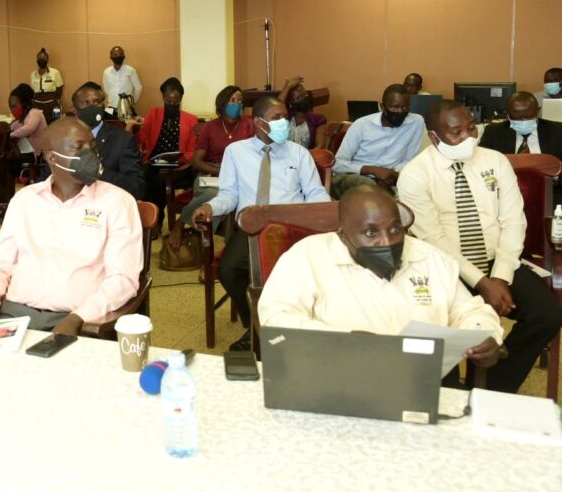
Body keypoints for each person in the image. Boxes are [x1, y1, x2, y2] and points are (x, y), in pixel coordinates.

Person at [397, 99, 562, 393]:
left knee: (546, 313)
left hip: (499, 262)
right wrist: (481, 282)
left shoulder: (494, 161)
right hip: (446, 269)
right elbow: (434, 240)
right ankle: (447, 389)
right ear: (434, 137)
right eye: (456, 133)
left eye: (471, 128)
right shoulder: (415, 174)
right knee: (435, 322)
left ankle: (490, 388)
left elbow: (513, 221)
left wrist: (500, 276)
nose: (468, 137)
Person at [258, 185, 503, 373]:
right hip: (336, 373)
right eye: (371, 233)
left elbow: (469, 311)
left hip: (422, 379)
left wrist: (482, 335)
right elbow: (277, 318)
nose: (387, 242)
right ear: (343, 235)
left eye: (395, 229)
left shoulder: (429, 257)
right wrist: (343, 340)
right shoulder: (308, 256)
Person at [0, 117, 142, 335]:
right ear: (53, 157)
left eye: (92, 146)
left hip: (80, 321)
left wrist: (79, 318)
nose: (91, 154)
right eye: (79, 147)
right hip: (12, 316)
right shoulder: (25, 200)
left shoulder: (117, 202)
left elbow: (123, 279)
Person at [192, 96, 330, 351]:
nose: (284, 123)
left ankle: (273, 326)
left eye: (285, 118)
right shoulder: (236, 152)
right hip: (253, 228)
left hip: (293, 228)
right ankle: (256, 324)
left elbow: (314, 193)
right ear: (258, 122)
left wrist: (326, 213)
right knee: (229, 271)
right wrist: (209, 207)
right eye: (276, 118)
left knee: (298, 273)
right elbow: (229, 195)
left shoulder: (298, 153)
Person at [167, 86, 254, 252]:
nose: (237, 104)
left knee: (232, 202)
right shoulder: (210, 127)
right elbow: (197, 161)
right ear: (222, 104)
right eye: (232, 101)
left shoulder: (249, 126)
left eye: (240, 101)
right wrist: (221, 172)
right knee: (214, 195)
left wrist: (236, 173)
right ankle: (200, 243)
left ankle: (189, 229)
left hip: (241, 174)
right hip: (211, 172)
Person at [331, 83, 423, 198]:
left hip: (390, 177)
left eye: (405, 107)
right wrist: (373, 171)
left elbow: (409, 159)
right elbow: (337, 164)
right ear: (382, 106)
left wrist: (392, 174)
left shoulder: (416, 122)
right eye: (395, 107)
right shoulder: (362, 124)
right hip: (354, 176)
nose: (400, 111)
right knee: (368, 186)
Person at [136, 77, 199, 232]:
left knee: (159, 181)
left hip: (179, 165)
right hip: (154, 161)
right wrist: (136, 128)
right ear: (163, 98)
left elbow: (192, 150)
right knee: (142, 176)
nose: (171, 105)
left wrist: (178, 158)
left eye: (175, 102)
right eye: (168, 101)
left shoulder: (191, 120)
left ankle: (156, 221)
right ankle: (148, 218)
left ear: (180, 99)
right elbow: (142, 139)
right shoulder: (153, 114)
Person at [479, 91, 562, 205]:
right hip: (505, 195)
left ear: (537, 111)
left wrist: (554, 175)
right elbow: (482, 164)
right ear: (507, 115)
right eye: (516, 118)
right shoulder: (494, 132)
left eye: (528, 117)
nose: (523, 121)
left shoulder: (558, 131)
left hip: (550, 194)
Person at [68, 82, 144, 199]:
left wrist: (101, 172)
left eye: (97, 102)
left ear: (103, 106)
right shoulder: (64, 139)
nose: (92, 107)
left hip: (106, 206)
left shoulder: (123, 140)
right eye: (86, 103)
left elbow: (137, 187)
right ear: (74, 109)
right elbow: (46, 179)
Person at [278, 77, 328, 149]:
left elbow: (320, 146)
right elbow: (276, 107)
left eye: (304, 95)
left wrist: (304, 157)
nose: (303, 99)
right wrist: (288, 86)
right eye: (298, 98)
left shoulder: (318, 119)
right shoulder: (286, 115)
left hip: (308, 157)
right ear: (290, 102)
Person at [9, 83, 48, 167]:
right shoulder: (20, 119)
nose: (12, 110)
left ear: (24, 103)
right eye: (10, 107)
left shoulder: (35, 113)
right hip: (28, 153)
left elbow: (28, 129)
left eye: (14, 106)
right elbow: (12, 128)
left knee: (9, 160)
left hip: (38, 155)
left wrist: (10, 135)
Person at [102, 45, 143, 111]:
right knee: (109, 121)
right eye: (115, 54)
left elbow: (138, 88)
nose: (118, 56)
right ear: (111, 57)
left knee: (128, 121)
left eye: (120, 54)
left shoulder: (131, 70)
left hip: (127, 107)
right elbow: (106, 89)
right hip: (111, 107)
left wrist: (132, 101)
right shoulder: (106, 72)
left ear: (124, 56)